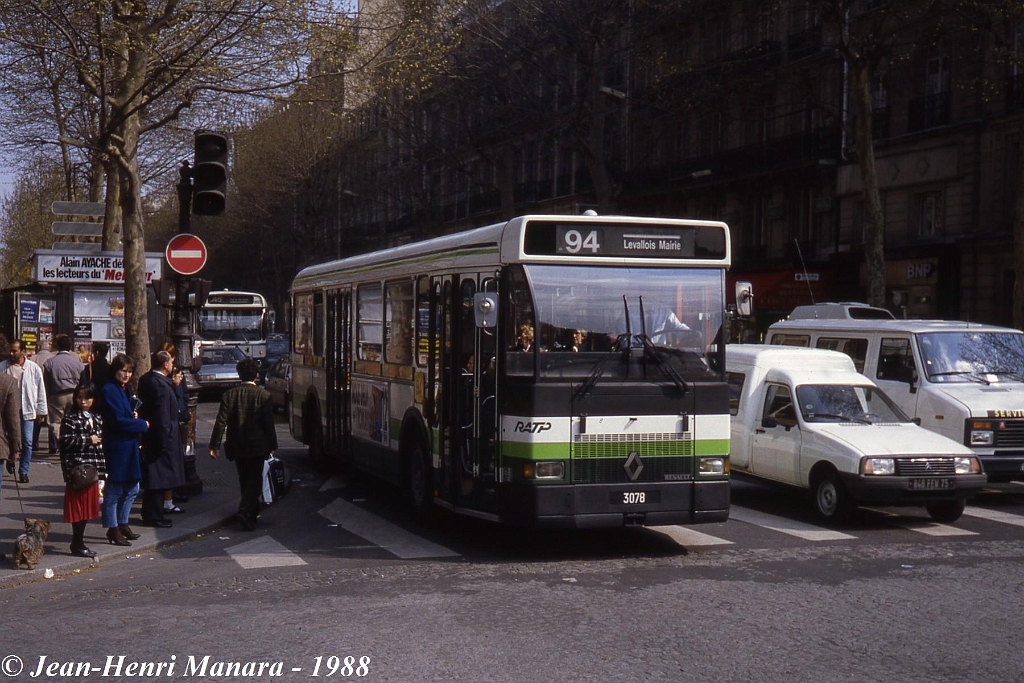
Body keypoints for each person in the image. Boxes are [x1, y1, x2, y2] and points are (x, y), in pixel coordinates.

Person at [209, 357, 278, 531]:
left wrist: (214, 445)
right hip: (257, 445)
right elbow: (269, 424)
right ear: (256, 375)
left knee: (244, 477)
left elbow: (221, 422)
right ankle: (246, 510)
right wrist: (273, 444)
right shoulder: (264, 396)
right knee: (255, 479)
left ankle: (250, 513)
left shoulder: (229, 395)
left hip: (237, 443)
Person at [100, 354, 148, 545]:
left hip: (128, 444)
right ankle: (113, 528)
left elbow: (125, 414)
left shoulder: (124, 388)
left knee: (133, 486)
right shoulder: (109, 390)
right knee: (115, 487)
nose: (127, 374)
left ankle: (122, 522)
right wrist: (142, 424)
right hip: (117, 445)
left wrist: (133, 414)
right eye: (123, 371)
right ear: (115, 370)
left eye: (129, 371)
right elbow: (117, 420)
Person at [137, 349, 185, 527]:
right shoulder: (162, 385)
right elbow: (163, 415)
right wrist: (164, 440)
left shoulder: (147, 379)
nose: (172, 366)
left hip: (151, 434)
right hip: (163, 436)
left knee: (155, 477)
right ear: (165, 364)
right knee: (159, 478)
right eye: (171, 363)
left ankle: (152, 513)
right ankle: (154, 515)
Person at [59, 383, 104, 558]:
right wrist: (87, 439)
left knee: (87, 508)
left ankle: (79, 541)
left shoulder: (97, 417)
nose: (83, 401)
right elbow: (65, 441)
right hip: (78, 469)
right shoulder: (71, 418)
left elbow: (101, 445)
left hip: (93, 467)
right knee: (78, 507)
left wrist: (103, 470)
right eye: (80, 398)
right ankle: (77, 542)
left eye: (87, 398)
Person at [0, 338, 48, 483]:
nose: (12, 353)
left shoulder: (33, 368)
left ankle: (24, 470)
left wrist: (41, 410)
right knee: (9, 438)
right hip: (7, 410)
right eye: (11, 350)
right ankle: (11, 458)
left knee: (27, 441)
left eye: (15, 350)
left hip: (27, 409)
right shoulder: (3, 367)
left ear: (23, 352)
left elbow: (40, 390)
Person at [43, 334, 84, 465]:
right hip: (74, 394)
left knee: (55, 423)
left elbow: (46, 382)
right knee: (72, 421)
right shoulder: (78, 363)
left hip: (56, 394)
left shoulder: (49, 363)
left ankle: (62, 442)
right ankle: (73, 443)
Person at [30, 338, 56, 453]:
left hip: (36, 393)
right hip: (52, 393)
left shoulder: (32, 359)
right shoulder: (54, 359)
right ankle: (53, 445)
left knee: (37, 420)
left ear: (38, 348)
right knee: (52, 420)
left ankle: (34, 443)